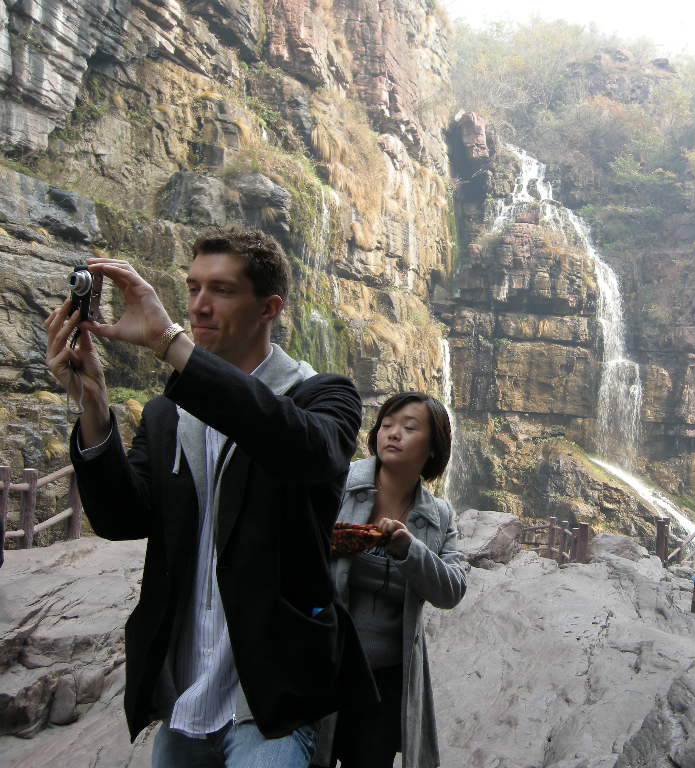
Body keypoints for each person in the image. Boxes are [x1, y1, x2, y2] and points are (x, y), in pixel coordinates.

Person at [44, 227, 368, 767]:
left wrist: (171, 344)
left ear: (269, 308)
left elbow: (307, 451)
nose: (199, 305)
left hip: (269, 698)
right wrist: (93, 405)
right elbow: (123, 517)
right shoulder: (167, 413)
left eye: (221, 290)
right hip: (184, 690)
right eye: (193, 287)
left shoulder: (323, 396)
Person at [319, 392, 468, 768]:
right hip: (321, 668)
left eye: (409, 427)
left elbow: (451, 589)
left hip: (384, 684)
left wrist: (408, 548)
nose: (393, 434)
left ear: (433, 447)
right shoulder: (336, 484)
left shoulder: (440, 515)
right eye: (386, 425)